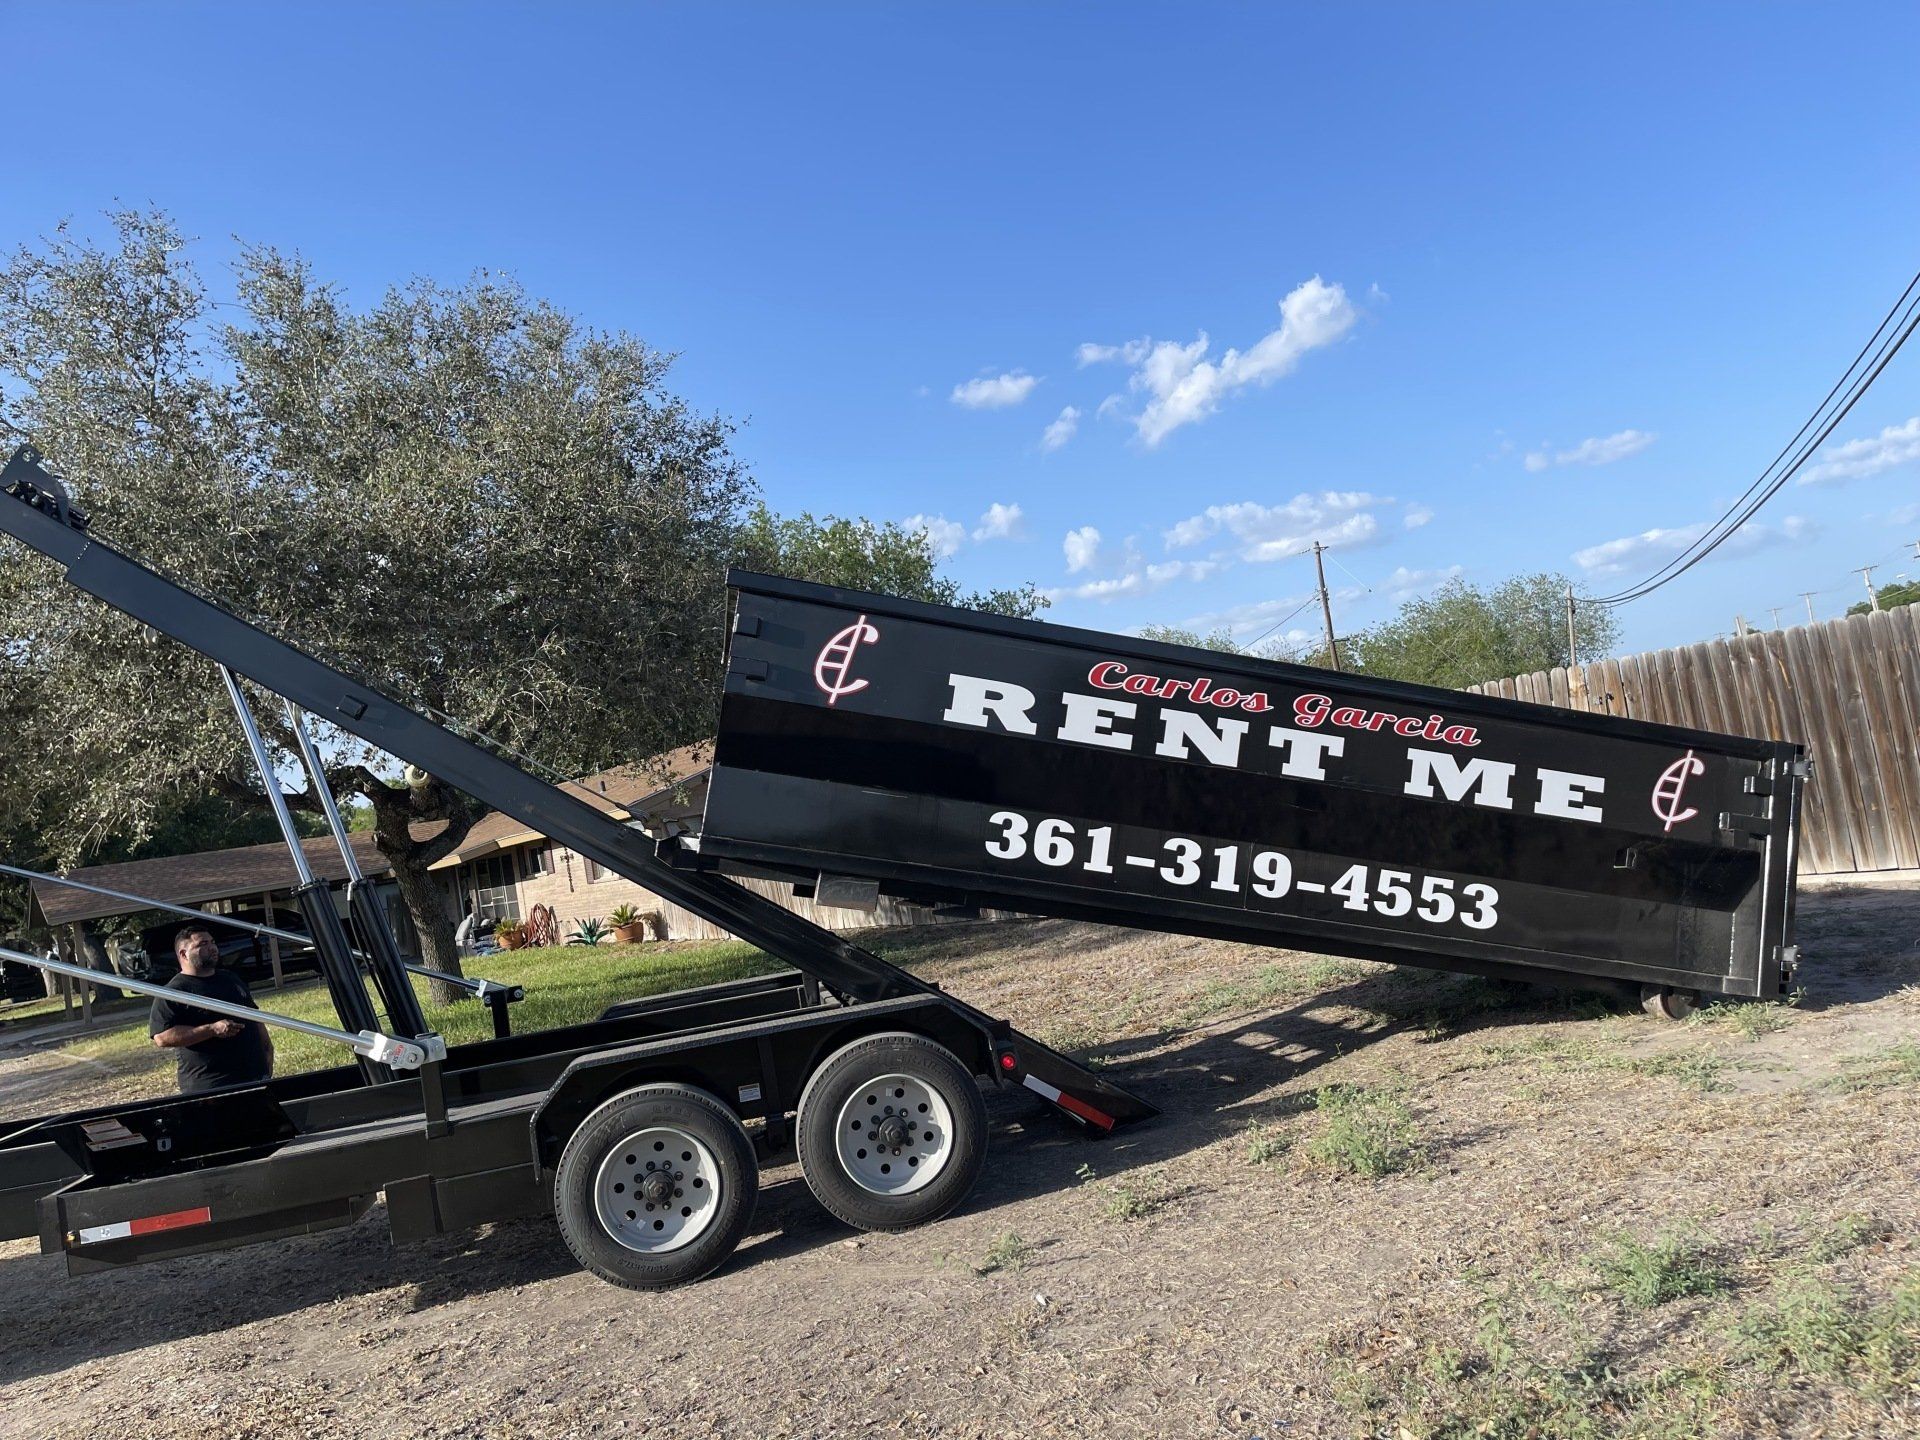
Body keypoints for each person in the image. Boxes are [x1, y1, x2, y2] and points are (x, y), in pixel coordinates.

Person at [149, 926, 274, 1094]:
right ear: (183, 954)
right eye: (203, 944)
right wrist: (211, 1029)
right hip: (211, 1086)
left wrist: (267, 1052)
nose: (212, 947)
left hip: (255, 1077)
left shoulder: (230, 979)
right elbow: (162, 1037)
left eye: (213, 942)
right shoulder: (173, 992)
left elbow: (253, 1016)